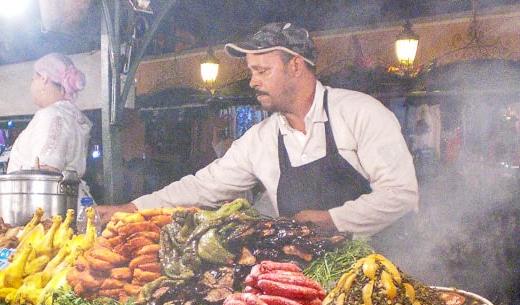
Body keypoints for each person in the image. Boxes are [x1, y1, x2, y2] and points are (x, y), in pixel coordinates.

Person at [98, 22, 418, 237]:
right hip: (309, 284)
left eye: (262, 70)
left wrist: (332, 220)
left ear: (296, 66)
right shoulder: (260, 140)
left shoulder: (360, 112)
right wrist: (131, 210)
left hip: (382, 273)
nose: (253, 81)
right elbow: (203, 187)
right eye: (252, 71)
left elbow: (401, 194)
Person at [6, 52, 93, 198]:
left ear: (44, 78)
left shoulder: (52, 116)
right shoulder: (71, 116)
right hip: (71, 204)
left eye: (33, 79)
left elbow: (45, 173)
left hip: (52, 212)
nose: (31, 85)